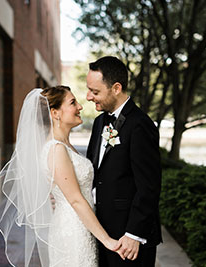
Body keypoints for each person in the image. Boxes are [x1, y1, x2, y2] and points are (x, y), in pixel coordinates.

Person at [0, 86, 121, 267]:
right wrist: (108, 241)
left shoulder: (64, 145)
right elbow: (75, 199)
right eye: (72, 103)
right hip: (74, 230)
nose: (80, 107)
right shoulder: (56, 149)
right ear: (55, 113)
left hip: (80, 225)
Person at [86, 56, 163, 267]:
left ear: (116, 88)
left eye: (95, 91)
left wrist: (133, 234)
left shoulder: (141, 125)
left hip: (129, 239)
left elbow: (149, 186)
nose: (88, 97)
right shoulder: (99, 122)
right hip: (102, 233)